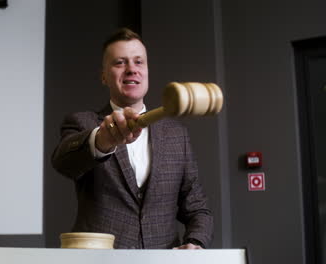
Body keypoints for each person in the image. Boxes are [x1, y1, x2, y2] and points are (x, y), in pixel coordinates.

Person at [51, 28, 213, 249]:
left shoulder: (177, 135)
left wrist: (195, 241)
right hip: (100, 261)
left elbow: (197, 209)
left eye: (139, 62)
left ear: (147, 71)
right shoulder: (83, 123)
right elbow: (63, 162)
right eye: (120, 62)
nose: (131, 70)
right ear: (104, 76)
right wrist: (101, 141)